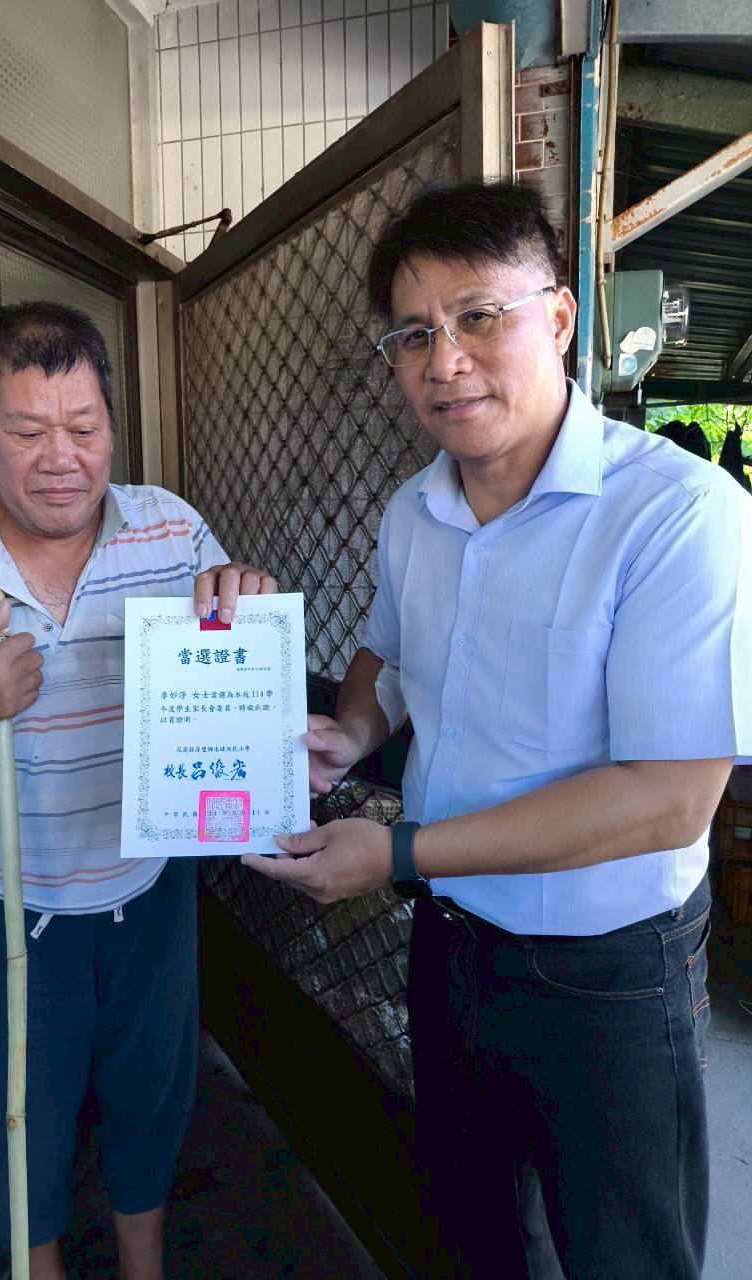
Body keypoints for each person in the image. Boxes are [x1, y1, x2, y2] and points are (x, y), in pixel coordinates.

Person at [199, 183, 752, 1279]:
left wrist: (397, 852)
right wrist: (352, 729)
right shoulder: (414, 509)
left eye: (477, 316)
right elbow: (388, 654)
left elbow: (667, 799)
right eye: (412, 334)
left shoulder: (678, 514)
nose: (443, 361)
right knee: (470, 1236)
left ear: (558, 318)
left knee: (624, 1257)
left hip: (607, 974)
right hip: (448, 947)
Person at [0, 300, 273, 1280]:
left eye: (84, 427)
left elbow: (228, 681)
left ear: (112, 420)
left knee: (150, 1096)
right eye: (28, 431)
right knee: (10, 1123)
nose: (62, 458)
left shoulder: (170, 530)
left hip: (147, 887)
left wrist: (244, 615)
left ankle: (143, 1266)